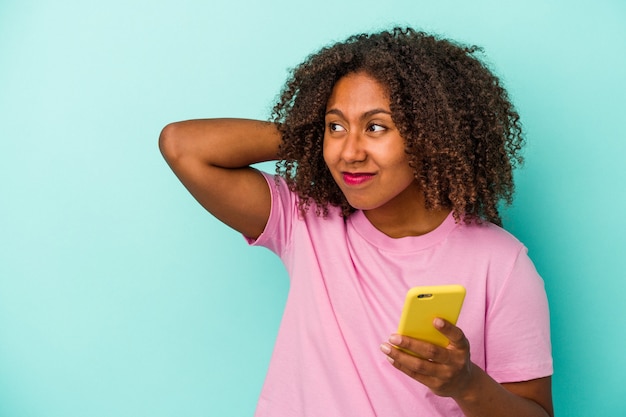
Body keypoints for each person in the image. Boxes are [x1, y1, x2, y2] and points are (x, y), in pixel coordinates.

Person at [159, 27, 553, 417]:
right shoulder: (305, 220)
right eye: (336, 126)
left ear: (430, 135)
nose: (349, 152)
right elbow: (182, 145)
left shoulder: (502, 264)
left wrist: (466, 385)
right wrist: (317, 138)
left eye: (376, 127)